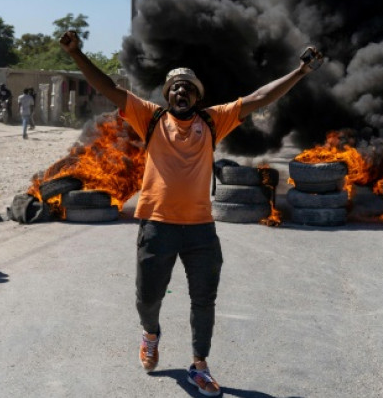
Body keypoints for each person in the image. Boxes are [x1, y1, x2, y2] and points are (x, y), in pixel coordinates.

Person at [59, 30, 323, 396]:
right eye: (174, 88)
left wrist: (300, 73)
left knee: (204, 300)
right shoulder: (149, 118)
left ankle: (200, 365)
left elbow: (261, 97)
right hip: (156, 226)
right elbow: (107, 88)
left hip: (200, 229)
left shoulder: (214, 121)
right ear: (167, 96)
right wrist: (77, 54)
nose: (180, 92)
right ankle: (150, 335)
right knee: (148, 298)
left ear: (198, 97)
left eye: (188, 88)